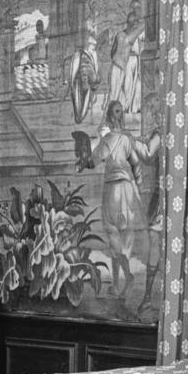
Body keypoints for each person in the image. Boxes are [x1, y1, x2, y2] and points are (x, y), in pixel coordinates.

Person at [78, 99, 161, 297]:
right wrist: (139, 187)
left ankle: (123, 280)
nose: (119, 116)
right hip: (125, 190)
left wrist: (83, 161)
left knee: (115, 235)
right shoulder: (124, 139)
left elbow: (94, 160)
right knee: (121, 237)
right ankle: (119, 283)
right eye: (118, 112)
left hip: (114, 190)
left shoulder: (110, 140)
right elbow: (135, 165)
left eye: (119, 112)